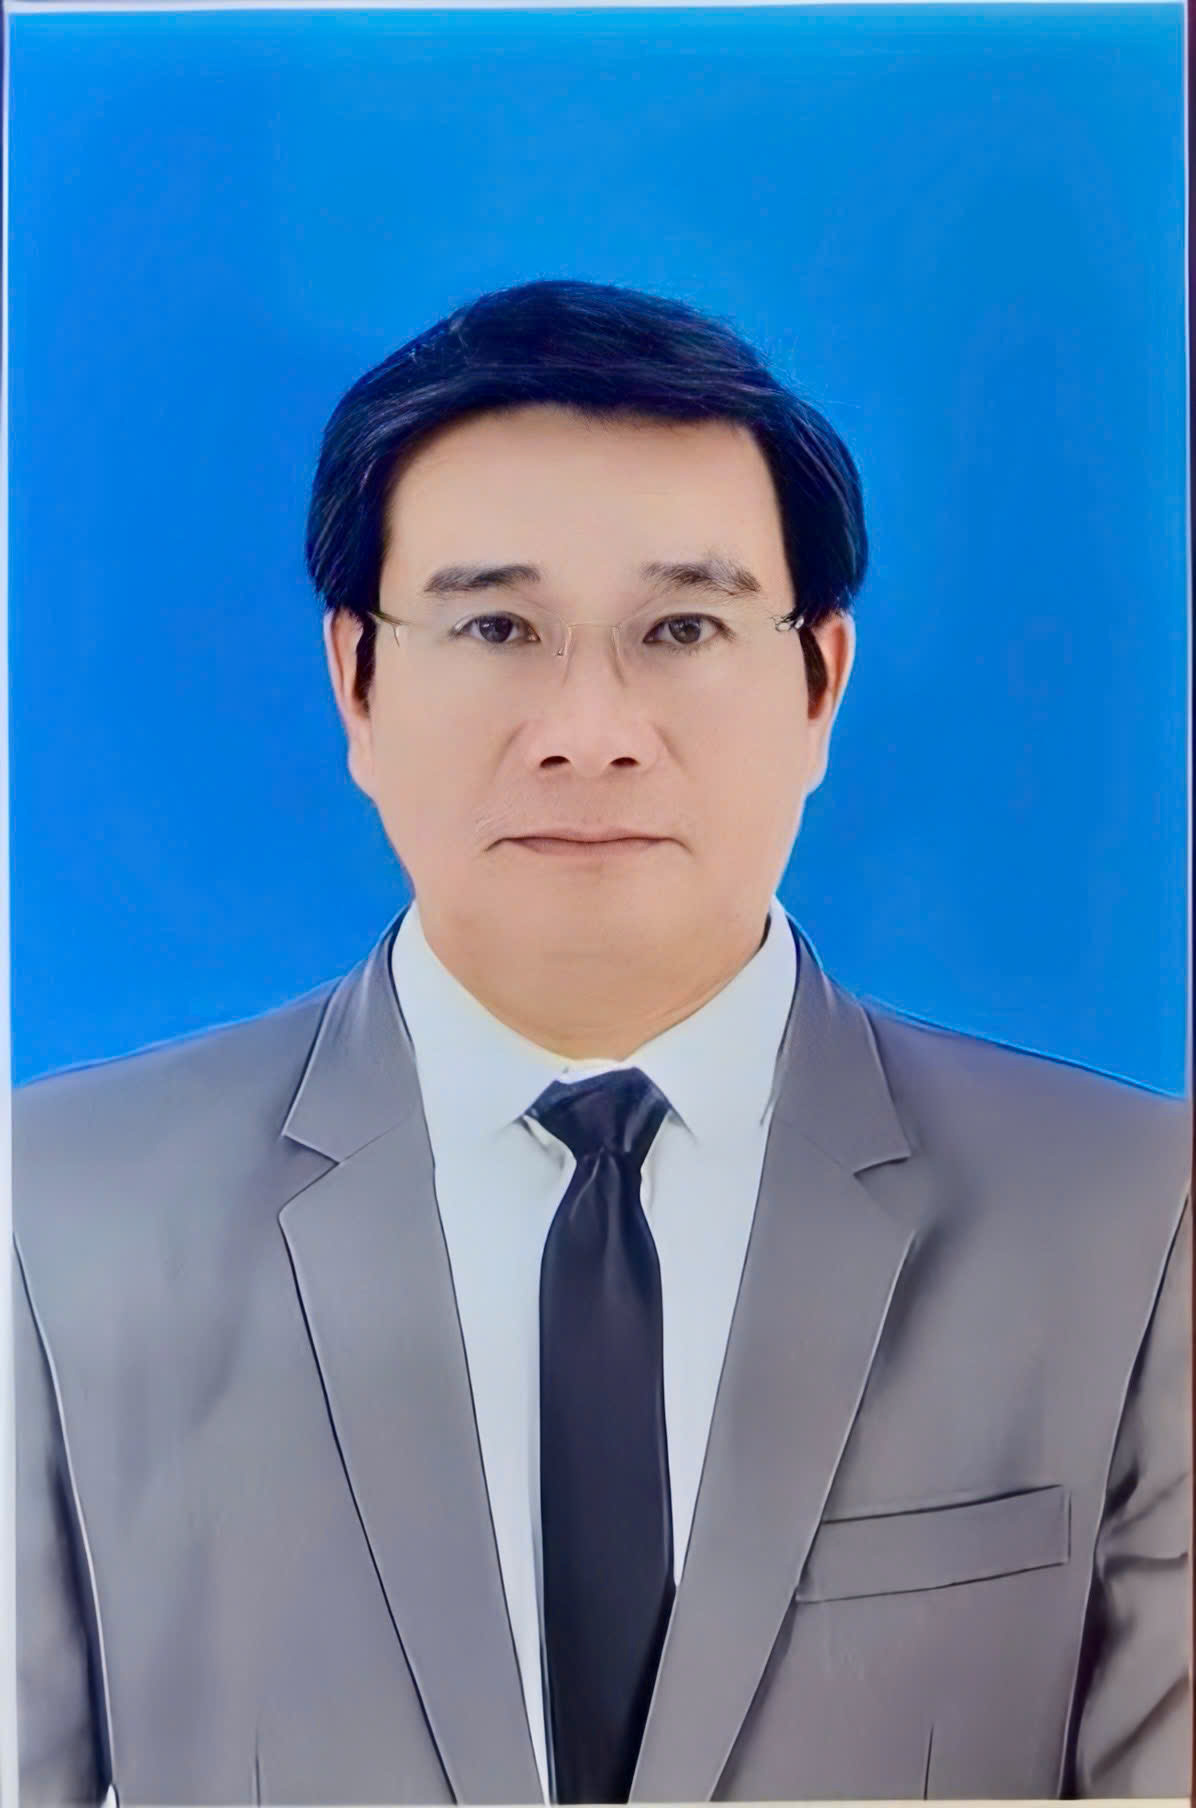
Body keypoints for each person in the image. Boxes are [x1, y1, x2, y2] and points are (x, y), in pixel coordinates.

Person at [13, 279, 1190, 1806]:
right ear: (356, 679)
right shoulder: (54, 1220)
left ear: (820, 682)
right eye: (497, 626)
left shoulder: (1130, 1221)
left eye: (682, 627)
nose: (590, 729)